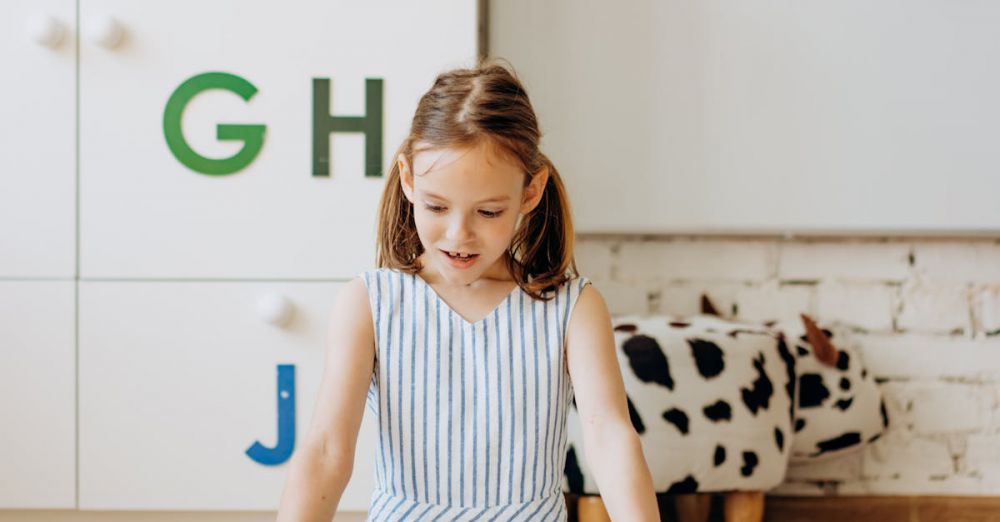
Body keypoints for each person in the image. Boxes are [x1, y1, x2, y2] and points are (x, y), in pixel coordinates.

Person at [276, 58, 658, 521]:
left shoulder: (572, 307)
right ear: (409, 180)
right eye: (437, 206)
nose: (459, 235)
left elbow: (610, 439)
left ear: (531, 192)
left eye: (489, 212)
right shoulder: (370, 302)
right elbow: (326, 451)